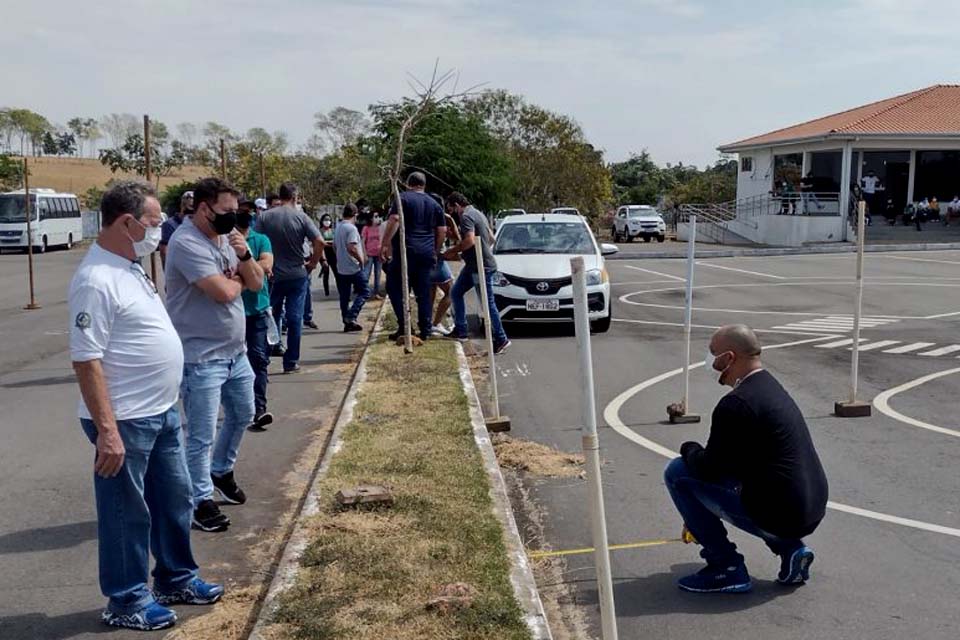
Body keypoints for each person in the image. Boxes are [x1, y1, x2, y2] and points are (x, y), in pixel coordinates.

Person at [70, 180, 222, 631]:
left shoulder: (132, 265)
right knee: (126, 513)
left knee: (174, 501)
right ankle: (126, 598)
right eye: (154, 222)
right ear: (127, 223)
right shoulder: (95, 280)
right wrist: (108, 431)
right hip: (125, 420)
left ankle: (176, 577)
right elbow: (86, 358)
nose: (160, 230)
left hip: (161, 412)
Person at [664, 325, 828, 593]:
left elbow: (708, 468)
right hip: (810, 508)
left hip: (781, 512)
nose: (709, 361)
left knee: (678, 472)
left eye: (712, 353)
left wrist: (688, 447)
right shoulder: (770, 387)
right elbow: (735, 462)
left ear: (729, 358)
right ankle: (791, 548)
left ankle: (726, 568)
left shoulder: (737, 404)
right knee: (741, 483)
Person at [165, 177, 264, 532]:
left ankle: (220, 470)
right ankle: (200, 500)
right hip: (200, 356)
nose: (232, 218)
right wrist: (238, 279)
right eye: (225, 211)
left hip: (235, 352)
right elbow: (224, 292)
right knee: (201, 434)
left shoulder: (227, 239)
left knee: (243, 413)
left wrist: (245, 256)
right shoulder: (186, 243)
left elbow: (257, 283)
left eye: (235, 211)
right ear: (203, 208)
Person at [255, 182, 324, 374]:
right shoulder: (301, 217)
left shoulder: (265, 217)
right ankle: (291, 361)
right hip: (296, 274)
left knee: (270, 315)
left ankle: (265, 356)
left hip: (272, 275)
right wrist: (312, 263)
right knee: (295, 318)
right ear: (295, 197)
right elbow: (319, 241)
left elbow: (256, 241)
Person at [381, 172, 446, 341]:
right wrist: (435, 250)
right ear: (423, 185)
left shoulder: (403, 199)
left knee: (394, 288)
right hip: (426, 253)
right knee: (423, 292)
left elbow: (395, 219)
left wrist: (385, 244)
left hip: (405, 251)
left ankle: (405, 326)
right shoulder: (434, 204)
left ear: (408, 184)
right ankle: (425, 329)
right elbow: (442, 230)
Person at [443, 192, 510, 354]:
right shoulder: (478, 213)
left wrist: (451, 252)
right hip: (474, 265)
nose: (452, 213)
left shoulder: (466, 216)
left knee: (487, 303)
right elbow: (491, 238)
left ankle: (501, 338)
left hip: (481, 267)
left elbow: (470, 240)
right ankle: (461, 330)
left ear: (457, 206)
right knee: (456, 292)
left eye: (452, 210)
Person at [237, 198, 275, 432]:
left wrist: (241, 270)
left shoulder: (261, 239)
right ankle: (240, 408)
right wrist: (253, 272)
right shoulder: (224, 242)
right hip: (232, 312)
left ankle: (259, 409)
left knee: (259, 360)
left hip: (258, 309)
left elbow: (268, 264)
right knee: (233, 364)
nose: (245, 217)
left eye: (248, 213)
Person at [334, 203, 371, 331]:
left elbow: (335, 246)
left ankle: (347, 321)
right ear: (355, 215)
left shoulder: (338, 227)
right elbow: (352, 247)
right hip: (353, 267)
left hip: (341, 267)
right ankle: (351, 315)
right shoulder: (351, 228)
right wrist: (361, 260)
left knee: (344, 296)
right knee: (365, 291)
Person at [428, 194, 461, 336]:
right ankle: (435, 323)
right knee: (451, 292)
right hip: (437, 259)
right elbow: (457, 239)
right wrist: (451, 221)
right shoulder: (441, 218)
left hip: (425, 258)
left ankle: (427, 323)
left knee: (431, 292)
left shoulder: (424, 217)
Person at [159, 190, 193, 267]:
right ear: (182, 206)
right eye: (188, 206)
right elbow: (164, 251)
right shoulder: (169, 225)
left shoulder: (195, 224)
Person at [361, 210, 383, 298]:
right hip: (369, 253)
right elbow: (362, 241)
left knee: (378, 274)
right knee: (366, 273)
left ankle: (376, 292)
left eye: (378, 216)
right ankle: (364, 291)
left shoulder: (380, 228)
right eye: (375, 216)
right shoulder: (366, 228)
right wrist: (364, 253)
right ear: (371, 218)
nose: (378, 218)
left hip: (378, 254)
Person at [318, 213, 337, 296]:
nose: (327, 221)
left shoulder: (333, 231)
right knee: (326, 272)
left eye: (329, 220)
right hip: (324, 253)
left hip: (332, 253)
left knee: (337, 273)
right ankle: (326, 291)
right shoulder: (320, 231)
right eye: (325, 220)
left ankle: (340, 289)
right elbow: (320, 243)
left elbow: (335, 242)